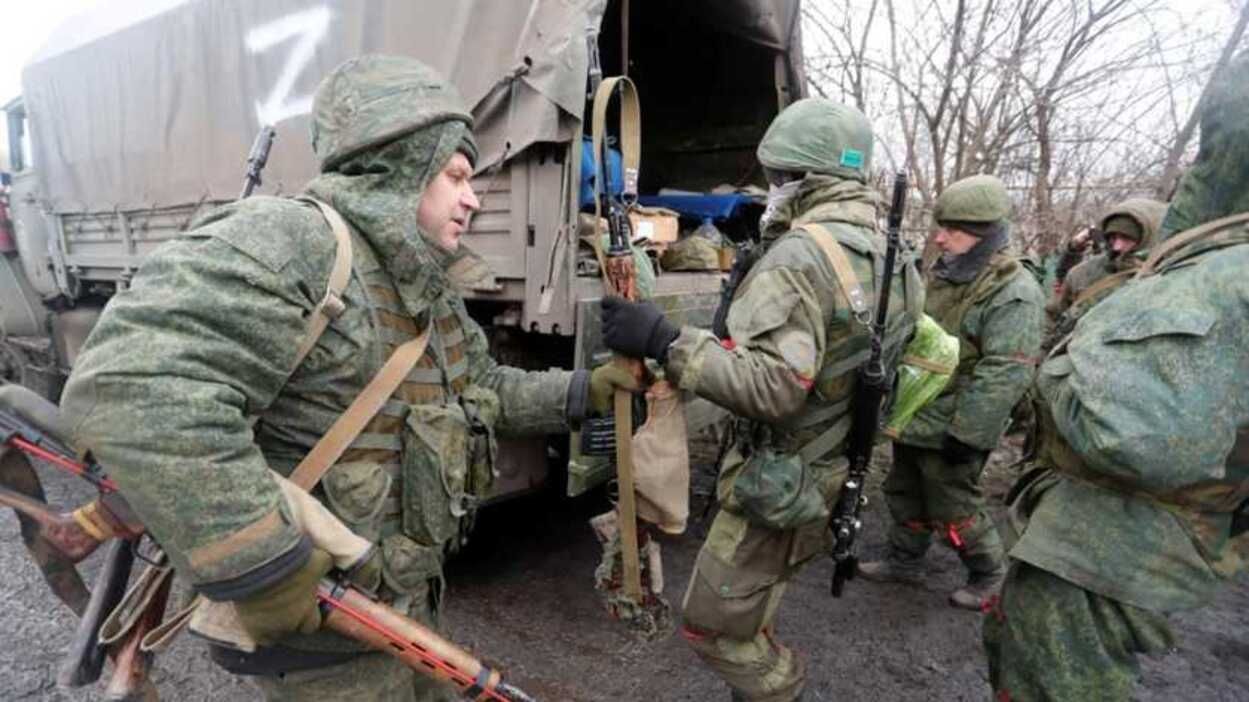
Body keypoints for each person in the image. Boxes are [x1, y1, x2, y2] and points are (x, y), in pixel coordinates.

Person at [60, 55, 631, 701]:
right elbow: (133, 390)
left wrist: (589, 392)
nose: (473, 198)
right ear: (401, 167)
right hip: (322, 631)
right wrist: (263, 570)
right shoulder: (291, 240)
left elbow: (484, 392)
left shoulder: (421, 286)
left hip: (402, 605)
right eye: (455, 175)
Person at [600, 97, 923, 701]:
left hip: (784, 476)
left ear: (803, 180)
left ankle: (783, 690)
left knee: (714, 629)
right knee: (754, 604)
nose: (769, 188)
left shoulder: (803, 255)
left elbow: (774, 386)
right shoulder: (893, 253)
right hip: (834, 468)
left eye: (776, 176)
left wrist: (666, 341)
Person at [984, 50, 1249, 701]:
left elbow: (1140, 436)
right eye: (1115, 237)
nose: (1121, 247)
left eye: (1132, 238)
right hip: (1094, 519)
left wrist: (1057, 372)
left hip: (1123, 539)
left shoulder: (1216, 280)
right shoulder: (1101, 274)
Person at [858, 174, 1044, 610]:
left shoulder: (1014, 292)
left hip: (957, 421)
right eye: (939, 227)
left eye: (951, 231)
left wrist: (970, 434)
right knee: (903, 489)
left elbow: (1005, 371)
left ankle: (989, 573)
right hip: (918, 410)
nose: (938, 239)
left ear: (983, 236)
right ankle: (905, 559)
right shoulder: (949, 275)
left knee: (954, 503)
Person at [1044, 198, 1167, 346]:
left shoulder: (1169, 276)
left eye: (1127, 238)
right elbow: (1053, 318)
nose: (1117, 246)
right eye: (1113, 237)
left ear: (1149, 239)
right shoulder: (1082, 273)